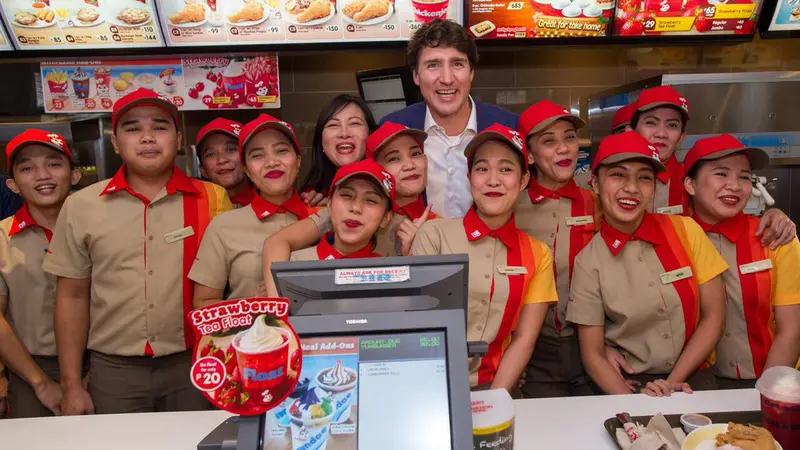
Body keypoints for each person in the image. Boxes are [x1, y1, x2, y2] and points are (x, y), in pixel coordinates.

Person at [42, 88, 231, 415]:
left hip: (197, 364)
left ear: (176, 137)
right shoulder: (81, 205)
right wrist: (72, 385)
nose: (147, 138)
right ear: (115, 142)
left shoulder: (214, 199)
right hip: (114, 374)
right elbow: (71, 296)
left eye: (159, 127)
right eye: (133, 128)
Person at [567, 131, 728, 397]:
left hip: (694, 382)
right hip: (629, 386)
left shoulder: (685, 231)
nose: (632, 188)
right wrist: (634, 406)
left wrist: (672, 383)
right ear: (595, 183)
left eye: (644, 177)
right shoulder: (588, 261)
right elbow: (593, 354)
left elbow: (714, 317)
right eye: (618, 175)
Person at [410, 124, 557, 394]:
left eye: (505, 169)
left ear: (523, 180)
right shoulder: (435, 235)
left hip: (497, 387)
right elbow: (416, 327)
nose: (492, 180)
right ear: (469, 177)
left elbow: (524, 340)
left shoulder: (538, 254)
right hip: (430, 386)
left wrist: (494, 400)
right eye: (482, 169)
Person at [260, 122, 436, 295]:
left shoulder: (437, 225)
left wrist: (414, 257)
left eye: (416, 153)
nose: (409, 165)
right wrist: (277, 301)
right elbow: (277, 241)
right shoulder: (331, 219)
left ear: (386, 217)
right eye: (393, 158)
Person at [682, 134, 800, 389]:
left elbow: (791, 331)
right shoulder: (674, 237)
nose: (734, 186)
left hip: (766, 378)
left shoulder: (776, 239)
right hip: (691, 383)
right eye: (721, 174)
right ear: (690, 184)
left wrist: (764, 394)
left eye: (744, 177)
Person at [382, 19, 518, 218]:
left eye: (457, 63)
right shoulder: (392, 129)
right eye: (433, 65)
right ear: (416, 76)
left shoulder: (510, 126)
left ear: (471, 72)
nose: (446, 78)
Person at [631, 85, 796, 247]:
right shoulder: (608, 180)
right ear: (631, 130)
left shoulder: (694, 178)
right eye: (651, 123)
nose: (661, 133)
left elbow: (725, 217)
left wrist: (775, 215)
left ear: (682, 136)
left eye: (672, 125)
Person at [512, 100, 600, 398]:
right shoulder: (510, 206)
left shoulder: (598, 203)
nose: (563, 148)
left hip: (592, 343)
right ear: (530, 155)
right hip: (534, 349)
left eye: (569, 138)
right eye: (549, 141)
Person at [190, 115, 310, 309]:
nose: (271, 162)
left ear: (297, 160)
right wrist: (250, 305)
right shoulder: (223, 226)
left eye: (281, 151)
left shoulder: (325, 217)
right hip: (249, 337)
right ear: (246, 169)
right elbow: (202, 305)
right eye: (257, 155)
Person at [0, 130, 81, 417]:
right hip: (28, 368)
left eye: (54, 164)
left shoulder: (99, 230)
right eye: (27, 168)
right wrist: (40, 383)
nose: (42, 175)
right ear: (12, 184)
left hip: (101, 365)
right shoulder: (2, 238)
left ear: (75, 175)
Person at [290, 158, 394, 261]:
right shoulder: (293, 264)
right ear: (329, 205)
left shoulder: (391, 274)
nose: (355, 208)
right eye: (346, 195)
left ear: (385, 218)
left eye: (371, 200)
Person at [300, 94, 377, 207]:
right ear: (321, 141)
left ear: (370, 133)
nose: (344, 133)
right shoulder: (311, 198)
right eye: (333, 125)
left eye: (354, 123)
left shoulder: (391, 192)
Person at [196, 118, 253, 208]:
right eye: (210, 154)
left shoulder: (274, 201)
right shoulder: (195, 209)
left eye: (231, 149)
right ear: (202, 170)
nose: (221, 160)